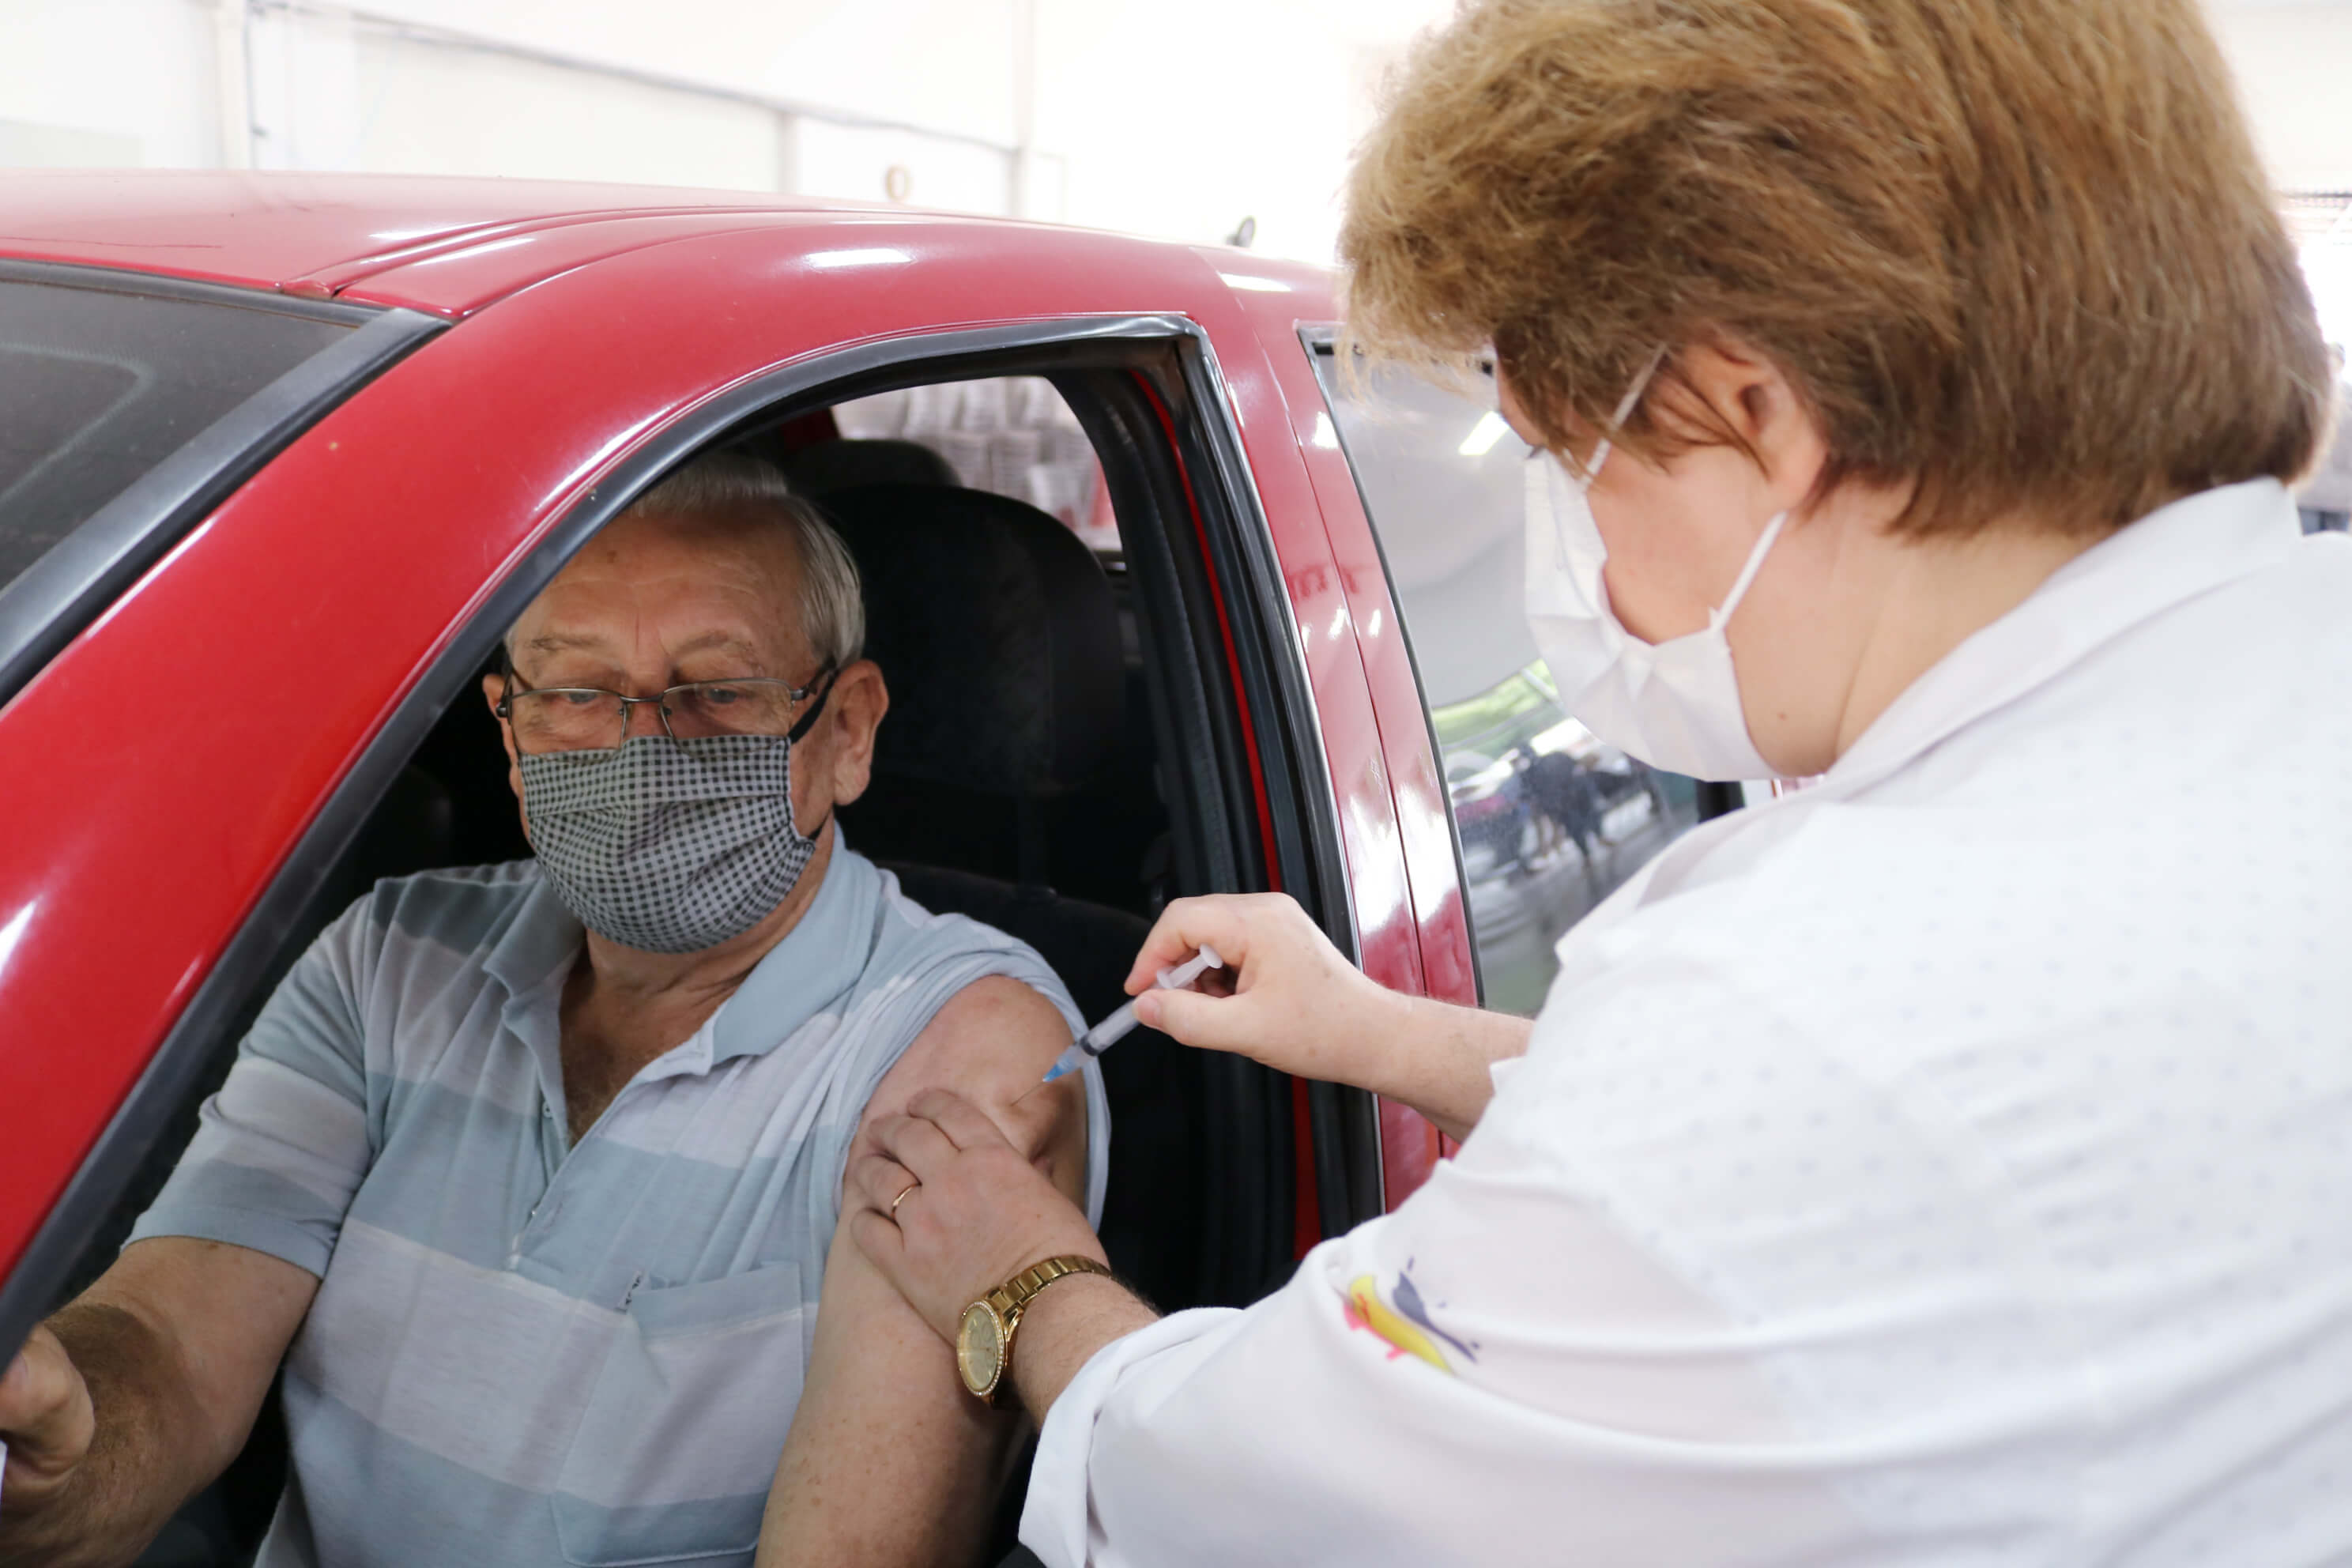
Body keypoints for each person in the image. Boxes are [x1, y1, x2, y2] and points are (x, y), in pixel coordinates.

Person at [837, 2, 2352, 1563]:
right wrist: (1376, 1029)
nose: (1586, 558)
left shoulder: (1806, 999)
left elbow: (1222, 1501)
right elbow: (1830, 1189)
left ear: (1755, 414)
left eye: (1569, 458)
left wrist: (1021, 1271)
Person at [0, 454, 1104, 1566]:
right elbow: (177, 1338)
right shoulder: (389, 958)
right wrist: (62, 1438)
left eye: (716, 691)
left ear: (847, 730)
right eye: (577, 693)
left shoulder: (953, 1050)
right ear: (512, 732)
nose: (639, 747)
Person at [2297, 345, 2352, 533]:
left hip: (2312, 491)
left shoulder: (2309, 394)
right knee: (2334, 556)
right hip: (2333, 493)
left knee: (2308, 554)